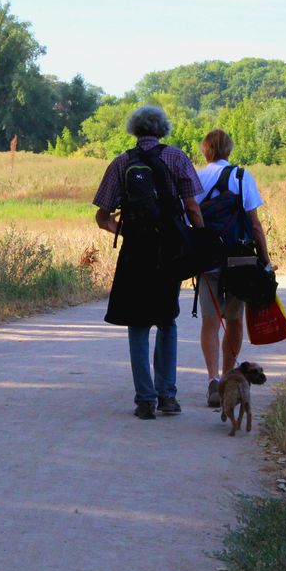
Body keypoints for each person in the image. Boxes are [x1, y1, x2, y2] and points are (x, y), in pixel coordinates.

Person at [93, 105, 204, 420]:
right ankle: (167, 396)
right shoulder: (177, 158)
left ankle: (144, 400)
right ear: (162, 129)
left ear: (134, 130)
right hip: (168, 250)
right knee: (167, 321)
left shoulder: (121, 163)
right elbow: (193, 208)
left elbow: (101, 216)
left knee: (138, 323)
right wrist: (197, 243)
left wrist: (123, 229)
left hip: (135, 252)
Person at [194, 129, 273, 407]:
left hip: (208, 260)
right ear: (229, 149)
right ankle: (229, 376)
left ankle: (213, 380)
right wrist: (265, 258)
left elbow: (189, 218)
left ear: (206, 150)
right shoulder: (241, 176)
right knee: (235, 319)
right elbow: (254, 224)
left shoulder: (196, 177)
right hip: (239, 262)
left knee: (210, 322)